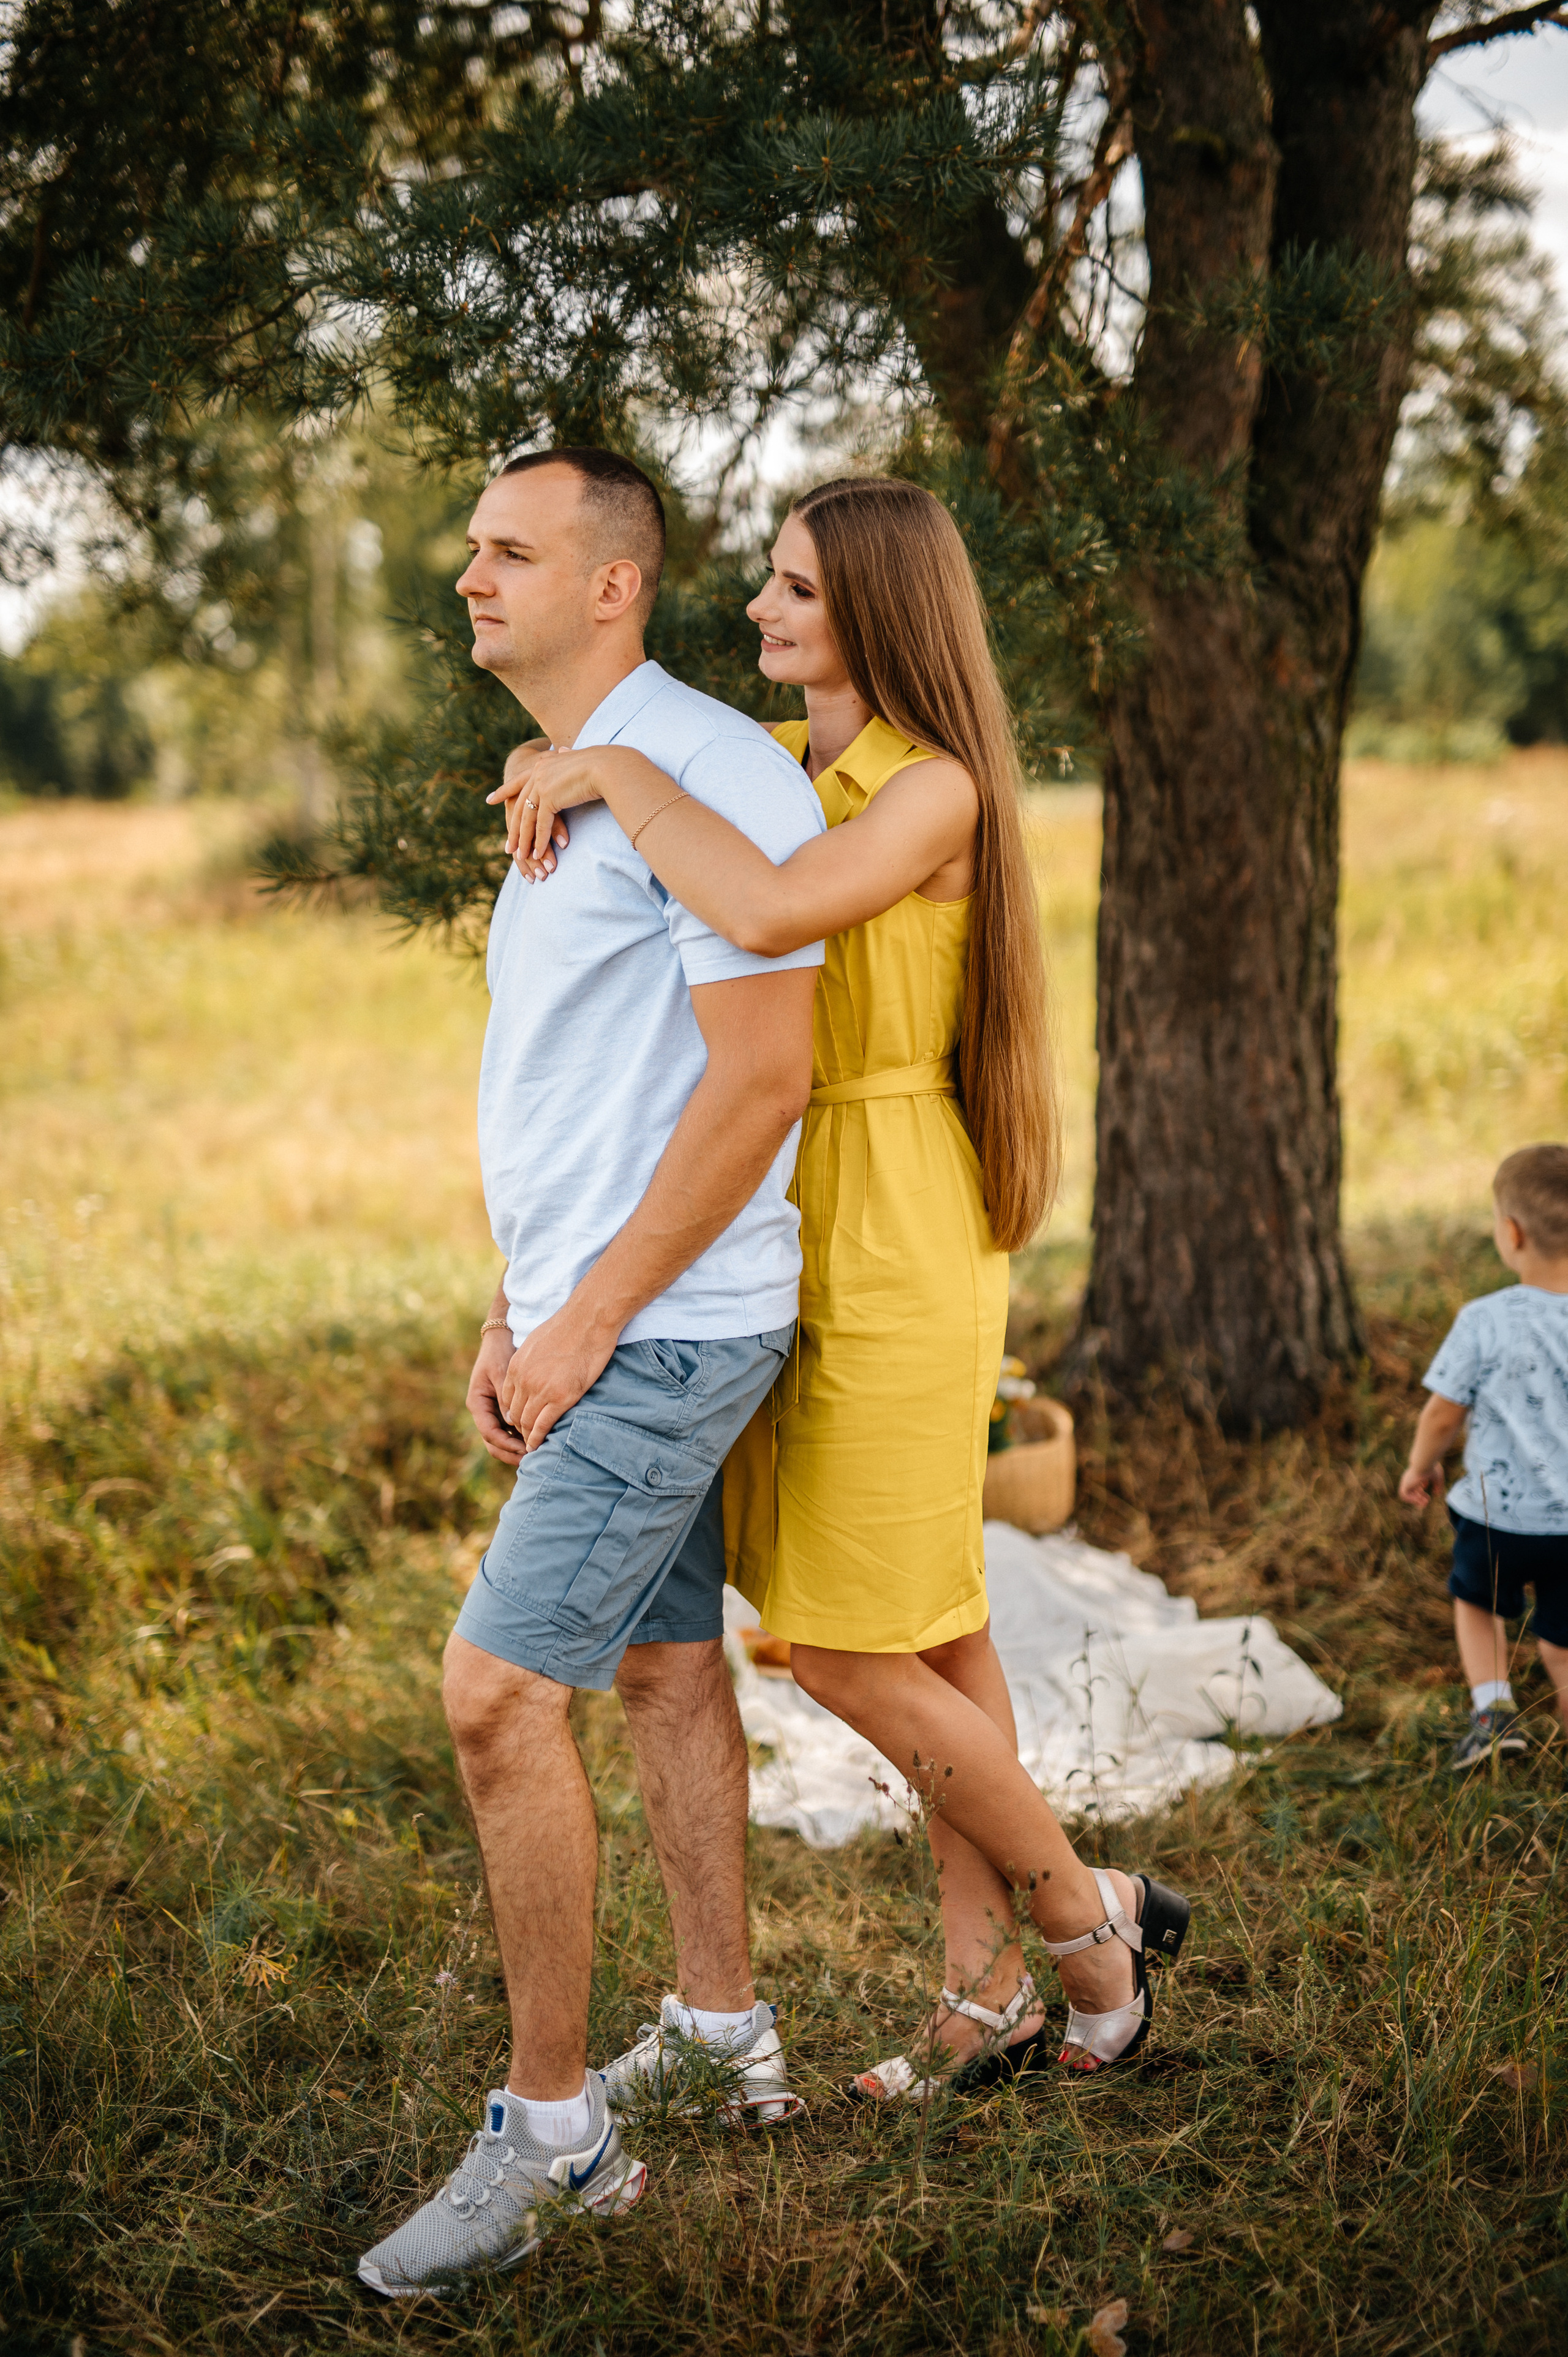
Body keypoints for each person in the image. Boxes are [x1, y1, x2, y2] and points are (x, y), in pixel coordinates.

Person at [500, 475, 1191, 2106]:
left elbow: (765, 905)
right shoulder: (780, 768)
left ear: (880, 607)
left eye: (797, 590)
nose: (758, 609)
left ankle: (1093, 1925)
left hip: (890, 1222)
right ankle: (987, 1991)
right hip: (782, 1209)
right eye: (768, 584)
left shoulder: (931, 791)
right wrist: (568, 765)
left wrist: (608, 769)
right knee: (934, 1616)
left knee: (831, 1640)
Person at [356, 448, 826, 2299]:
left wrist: (587, 1321)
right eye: (473, 546)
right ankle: (721, 2027)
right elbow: (580, 1082)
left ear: (613, 582)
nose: (467, 575)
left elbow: (757, 1078)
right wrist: (510, 1302)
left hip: (668, 1320)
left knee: (491, 1696)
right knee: (654, 1654)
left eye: (508, 550)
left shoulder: (701, 767)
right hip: (607, 1304)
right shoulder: (567, 779)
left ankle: (554, 2139)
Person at [1400, 1142, 1568, 1772]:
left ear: (1512, 1232)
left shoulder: (1484, 1319)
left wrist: (1420, 1466)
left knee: (1477, 1602)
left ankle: (1493, 1712)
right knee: (1563, 1641)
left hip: (1495, 1516)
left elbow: (1443, 1412)